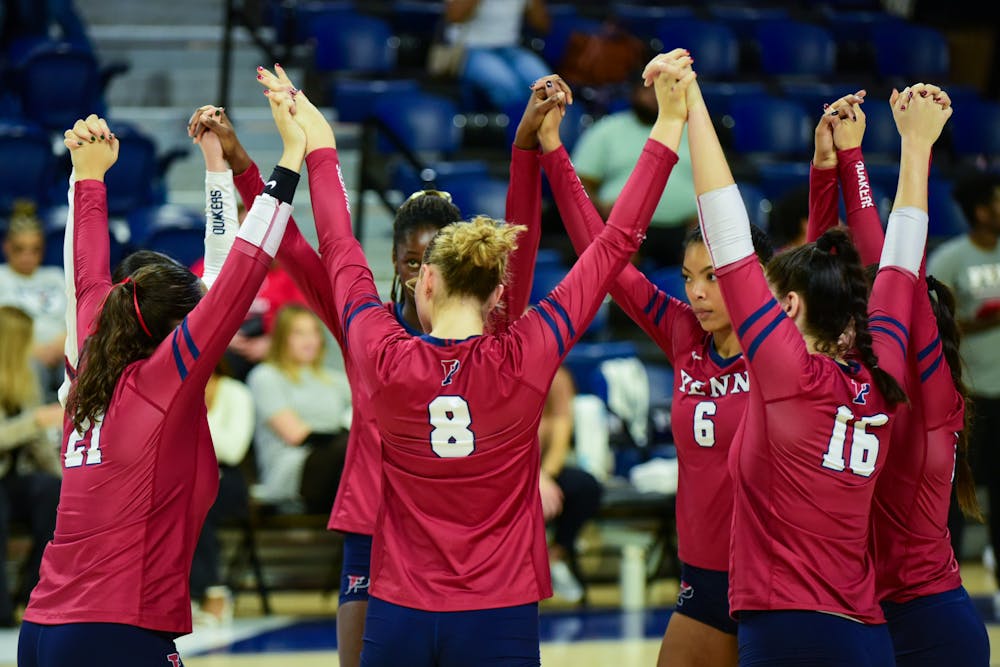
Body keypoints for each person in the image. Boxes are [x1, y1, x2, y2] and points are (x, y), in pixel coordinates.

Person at [256, 48, 693, 665]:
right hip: (499, 611)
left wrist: (319, 142)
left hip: (400, 609)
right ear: (498, 292)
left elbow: (336, 243)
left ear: (425, 282)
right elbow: (616, 240)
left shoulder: (382, 351)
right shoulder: (526, 350)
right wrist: (669, 123)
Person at [188, 68, 557, 667]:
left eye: (430, 258)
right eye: (409, 260)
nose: (418, 274)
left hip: (471, 544)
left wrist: (525, 153)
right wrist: (239, 167)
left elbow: (523, 239)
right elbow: (300, 251)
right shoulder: (369, 327)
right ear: (395, 259)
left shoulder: (492, 329)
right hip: (373, 523)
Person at [18, 92, 301, 666]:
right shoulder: (165, 383)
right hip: (116, 631)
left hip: (42, 629)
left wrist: (87, 176)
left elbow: (86, 268)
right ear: (177, 330)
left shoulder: (85, 368)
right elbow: (238, 274)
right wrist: (290, 159)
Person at [686, 55, 943, 663]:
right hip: (865, 634)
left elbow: (726, 234)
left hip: (788, 633)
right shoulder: (882, 374)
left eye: (772, 302)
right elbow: (900, 263)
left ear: (793, 309)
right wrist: (917, 147)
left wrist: (692, 102)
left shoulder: (788, 375)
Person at [541, 86, 773, 665]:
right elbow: (603, 253)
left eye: (715, 277)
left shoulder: (782, 352)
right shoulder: (682, 334)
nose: (696, 291)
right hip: (700, 575)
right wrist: (553, 150)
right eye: (691, 277)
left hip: (771, 576)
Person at [808, 84, 989, 666]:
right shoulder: (875, 383)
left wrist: (916, 147)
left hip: (932, 623)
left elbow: (895, 266)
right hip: (868, 617)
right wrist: (836, 165)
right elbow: (849, 271)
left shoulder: (933, 397)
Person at [928, 169, 1000, 596]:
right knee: (956, 495)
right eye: (995, 200)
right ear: (978, 210)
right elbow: (937, 328)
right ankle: (944, 582)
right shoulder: (949, 260)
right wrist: (981, 321)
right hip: (969, 399)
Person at [571, 74, 698, 266]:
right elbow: (579, 182)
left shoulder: (694, 131)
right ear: (634, 93)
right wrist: (600, 211)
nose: (655, 96)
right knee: (618, 264)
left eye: (663, 90)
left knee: (709, 254)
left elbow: (717, 181)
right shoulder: (607, 129)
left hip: (689, 226)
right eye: (649, 89)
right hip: (621, 227)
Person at [247, 303, 351, 514]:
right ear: (282, 338)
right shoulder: (266, 376)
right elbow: (296, 435)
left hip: (336, 463)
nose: (309, 340)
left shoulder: (336, 380)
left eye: (314, 332)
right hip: (292, 468)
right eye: (299, 333)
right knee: (352, 449)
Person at [0, 305, 62, 626]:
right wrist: (34, 421)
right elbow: (22, 429)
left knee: (52, 492)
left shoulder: (27, 377)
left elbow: (38, 442)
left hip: (14, 478)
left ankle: (33, 597)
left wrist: (65, 480)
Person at [538, 366, 602, 605]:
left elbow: (561, 431)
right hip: (506, 469)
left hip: (543, 469)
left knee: (585, 487)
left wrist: (544, 475)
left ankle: (554, 558)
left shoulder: (558, 376)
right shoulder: (492, 367)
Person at [0, 206, 67, 395]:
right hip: (21, 353)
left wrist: (62, 346)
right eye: (19, 249)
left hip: (62, 350)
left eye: (34, 250)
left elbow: (75, 319)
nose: (27, 256)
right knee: (31, 367)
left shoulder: (55, 276)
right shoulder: (1, 277)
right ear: (6, 247)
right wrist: (32, 350)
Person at [441, 0, 551, 111]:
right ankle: (523, 125)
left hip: (511, 48)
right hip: (470, 49)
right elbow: (454, 17)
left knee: (547, 84)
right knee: (506, 85)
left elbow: (543, 25)